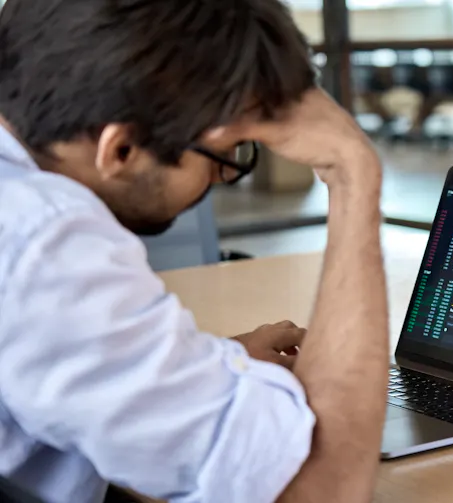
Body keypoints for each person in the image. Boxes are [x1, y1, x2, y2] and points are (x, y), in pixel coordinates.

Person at [0, 1, 389, 503]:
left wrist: (193, 372)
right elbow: (319, 489)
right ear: (120, 150)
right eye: (224, 155)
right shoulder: (44, 242)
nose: (226, 176)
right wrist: (352, 171)